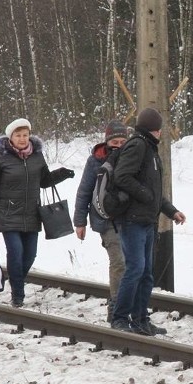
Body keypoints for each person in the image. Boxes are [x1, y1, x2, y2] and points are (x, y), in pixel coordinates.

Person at [0, 118, 75, 307]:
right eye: (18, 135)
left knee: (30, 255)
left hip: (32, 213)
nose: (22, 139)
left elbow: (44, 180)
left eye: (25, 135)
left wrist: (62, 173)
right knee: (15, 252)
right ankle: (18, 295)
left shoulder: (37, 155)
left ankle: (16, 280)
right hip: (7, 214)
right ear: (11, 137)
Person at [109, 107, 186, 335]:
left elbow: (153, 191)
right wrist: (145, 195)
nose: (161, 133)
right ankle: (120, 318)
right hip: (132, 220)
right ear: (155, 130)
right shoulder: (138, 145)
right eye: (160, 129)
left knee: (146, 273)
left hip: (146, 220)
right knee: (135, 269)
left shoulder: (150, 150)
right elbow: (122, 176)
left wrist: (171, 211)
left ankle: (141, 319)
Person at [73, 120, 129, 322]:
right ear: (107, 141)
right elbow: (84, 191)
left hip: (129, 219)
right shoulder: (95, 161)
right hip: (105, 220)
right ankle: (115, 308)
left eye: (124, 141)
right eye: (115, 141)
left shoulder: (132, 158)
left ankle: (128, 306)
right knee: (119, 262)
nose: (119, 145)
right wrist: (80, 222)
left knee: (133, 264)